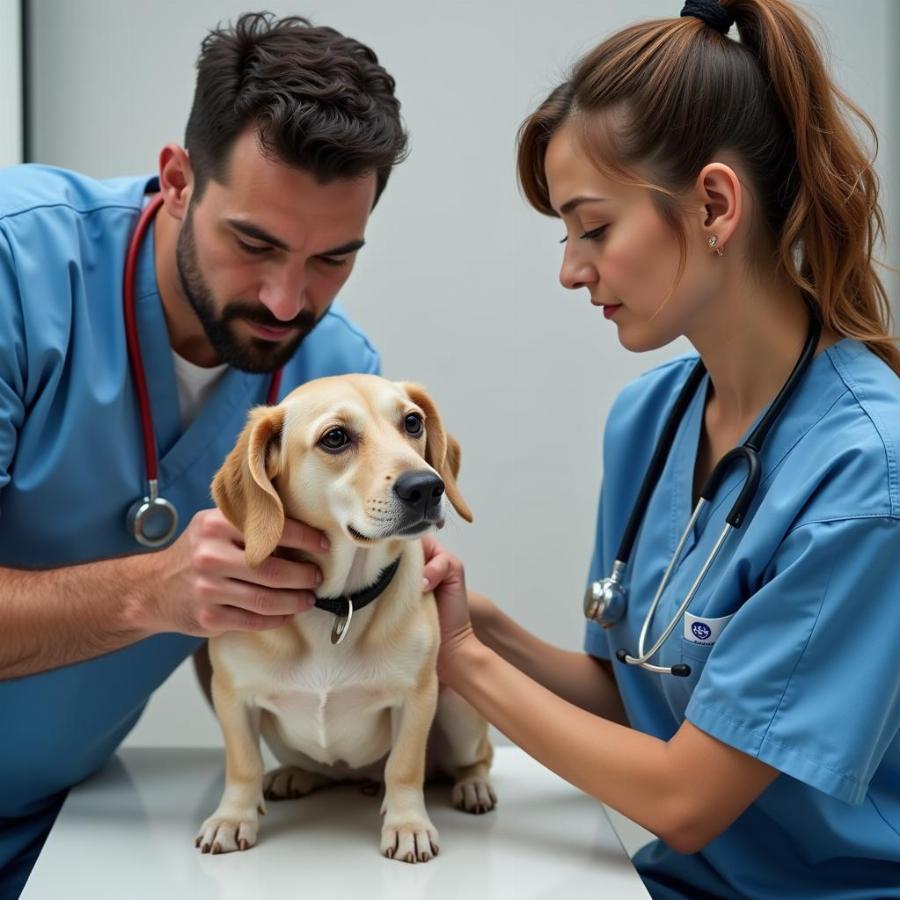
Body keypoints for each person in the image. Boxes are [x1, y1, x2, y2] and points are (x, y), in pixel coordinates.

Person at [423, 0, 900, 896]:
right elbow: (638, 700)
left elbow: (684, 797)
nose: (571, 267)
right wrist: (473, 623)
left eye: (593, 227)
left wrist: (466, 668)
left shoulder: (867, 473)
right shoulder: (646, 422)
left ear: (715, 204)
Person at [0, 12, 406, 896]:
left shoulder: (337, 381)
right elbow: (172, 594)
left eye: (334, 258)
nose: (287, 299)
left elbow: (265, 632)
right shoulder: (16, 270)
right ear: (178, 180)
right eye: (253, 243)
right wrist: (153, 591)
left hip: (60, 820)